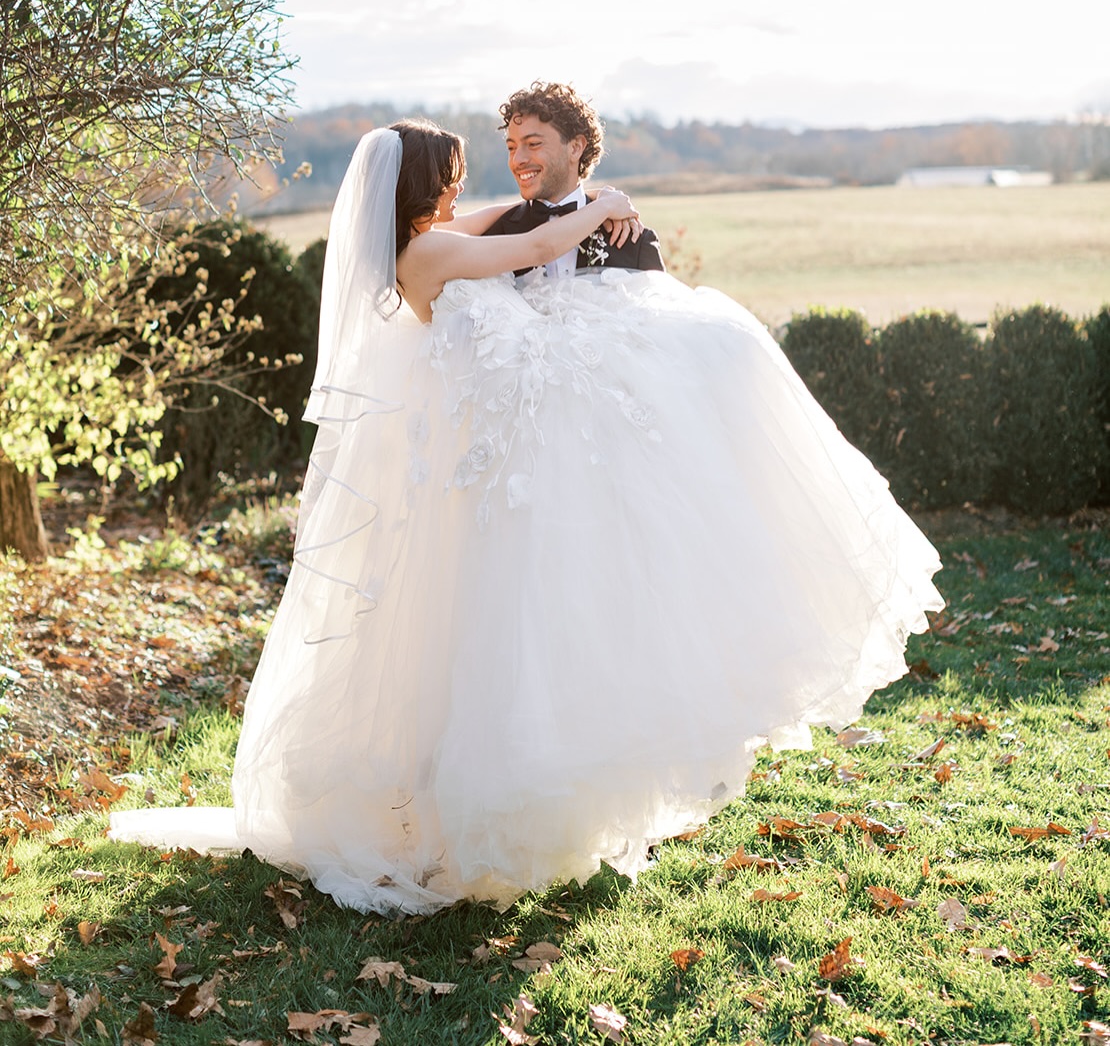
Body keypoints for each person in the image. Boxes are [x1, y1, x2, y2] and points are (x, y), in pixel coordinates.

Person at [110, 117, 943, 916]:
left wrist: (582, 193)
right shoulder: (429, 250)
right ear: (422, 184)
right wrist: (607, 207)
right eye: (454, 171)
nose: (468, 181)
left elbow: (517, 216)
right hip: (500, 448)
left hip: (511, 442)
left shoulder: (437, 233)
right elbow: (537, 244)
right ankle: (474, 817)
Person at [482, 80, 665, 275]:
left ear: (575, 147)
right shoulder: (492, 238)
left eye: (533, 144)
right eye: (511, 148)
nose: (517, 160)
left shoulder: (635, 243)